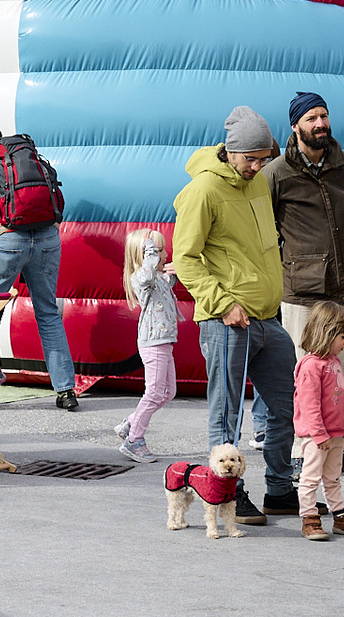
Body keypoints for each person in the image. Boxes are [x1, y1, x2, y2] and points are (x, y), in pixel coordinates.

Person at [172, 105, 297, 525]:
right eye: (251, 159)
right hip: (226, 319)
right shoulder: (203, 190)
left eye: (264, 159)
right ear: (231, 151)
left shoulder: (257, 181)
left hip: (268, 317)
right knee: (226, 413)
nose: (258, 166)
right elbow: (185, 259)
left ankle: (280, 489)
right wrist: (224, 304)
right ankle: (228, 496)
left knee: (283, 407)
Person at [264, 91, 344, 475]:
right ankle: (300, 451)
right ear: (295, 126)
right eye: (311, 118)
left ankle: (338, 446)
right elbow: (266, 230)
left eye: (323, 115)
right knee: (305, 374)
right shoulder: (276, 173)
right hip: (301, 291)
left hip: (343, 284)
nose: (320, 123)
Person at [0, 126, 79, 412]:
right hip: (47, 238)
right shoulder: (25, 158)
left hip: (8, 239)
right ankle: (65, 390)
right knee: (48, 313)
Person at [293, 300, 344, 541]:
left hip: (336, 433)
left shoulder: (334, 362)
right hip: (317, 436)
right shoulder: (311, 366)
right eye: (342, 337)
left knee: (333, 477)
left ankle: (339, 516)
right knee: (310, 477)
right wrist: (319, 434)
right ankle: (309, 518)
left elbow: (341, 400)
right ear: (327, 333)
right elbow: (309, 405)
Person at [113, 229, 176, 464]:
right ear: (146, 255)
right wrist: (150, 251)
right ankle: (134, 439)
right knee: (154, 392)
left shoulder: (159, 277)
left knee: (168, 392)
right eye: (159, 251)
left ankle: (131, 423)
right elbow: (147, 275)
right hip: (153, 342)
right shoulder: (141, 277)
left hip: (165, 341)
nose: (164, 255)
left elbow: (170, 280)